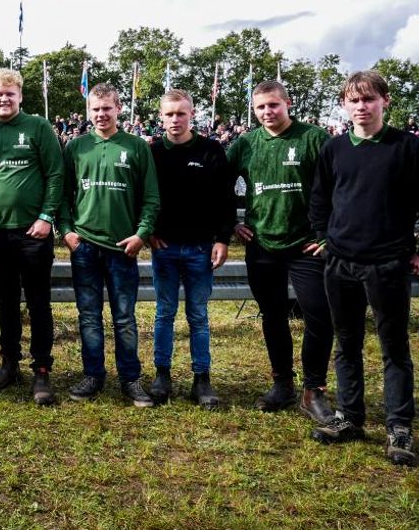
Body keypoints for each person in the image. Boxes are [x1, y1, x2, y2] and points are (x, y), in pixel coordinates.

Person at [309, 71, 419, 467]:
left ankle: (399, 426)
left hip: (387, 262)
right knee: (347, 342)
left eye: (369, 99)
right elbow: (319, 197)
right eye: (354, 100)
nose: (361, 106)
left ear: (384, 101)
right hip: (340, 260)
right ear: (344, 105)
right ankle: (351, 417)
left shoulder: (407, 147)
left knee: (394, 347)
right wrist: (324, 239)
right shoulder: (334, 148)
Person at [227, 81, 335, 423]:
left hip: (306, 244)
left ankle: (313, 389)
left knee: (318, 313)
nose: (267, 112)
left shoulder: (314, 139)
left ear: (287, 104)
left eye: (273, 105)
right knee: (272, 315)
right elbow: (217, 184)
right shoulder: (245, 143)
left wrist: (328, 233)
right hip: (262, 244)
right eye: (260, 107)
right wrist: (231, 222)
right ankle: (282, 383)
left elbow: (341, 185)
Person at [58, 83, 159, 407]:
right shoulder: (76, 147)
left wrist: (142, 234)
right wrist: (66, 232)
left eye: (107, 108)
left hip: (122, 248)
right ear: (88, 112)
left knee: (125, 318)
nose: (101, 115)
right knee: (88, 315)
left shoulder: (136, 147)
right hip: (84, 246)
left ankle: (130, 379)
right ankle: (93, 375)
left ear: (119, 109)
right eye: (95, 109)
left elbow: (151, 198)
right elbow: (63, 194)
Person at [0, 69, 63, 405]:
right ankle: (9, 365)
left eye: (10, 94)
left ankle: (41, 371)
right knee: (7, 302)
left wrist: (45, 217)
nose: (4, 99)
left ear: (20, 95)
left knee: (39, 302)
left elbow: (56, 174)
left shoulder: (38, 127)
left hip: (33, 233)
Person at [148, 90, 235, 408]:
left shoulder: (211, 149)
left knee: (198, 316)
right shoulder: (153, 152)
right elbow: (143, 197)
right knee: (164, 313)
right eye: (169, 114)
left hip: (200, 248)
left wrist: (222, 238)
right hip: (165, 248)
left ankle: (202, 379)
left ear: (192, 114)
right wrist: (149, 233)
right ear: (161, 116)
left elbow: (226, 199)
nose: (175, 119)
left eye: (181, 113)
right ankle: (162, 375)